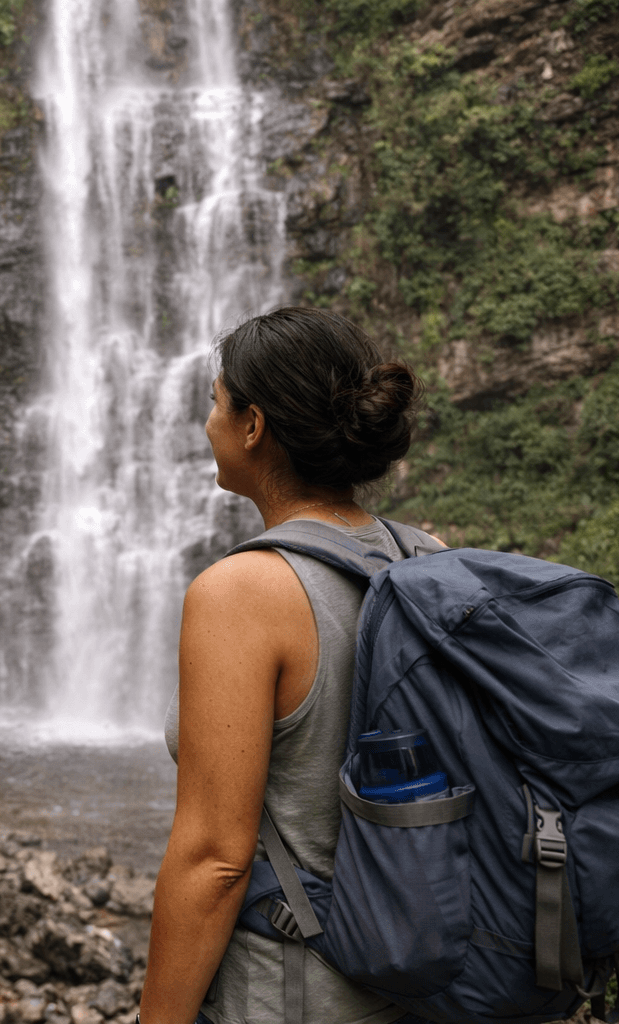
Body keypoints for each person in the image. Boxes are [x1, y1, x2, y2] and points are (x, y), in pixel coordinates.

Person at [138, 307, 437, 1024]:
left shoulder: (241, 592)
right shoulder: (427, 556)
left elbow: (214, 860)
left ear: (253, 425)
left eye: (216, 402)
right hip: (426, 976)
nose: (208, 423)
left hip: (295, 988)